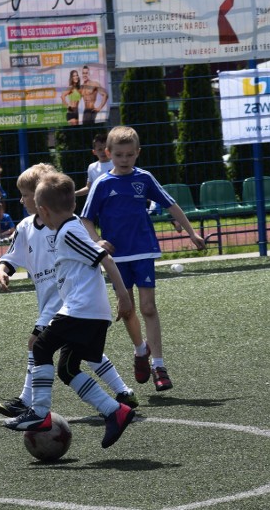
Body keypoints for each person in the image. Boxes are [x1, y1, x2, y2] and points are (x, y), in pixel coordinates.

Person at [0, 164, 138, 419]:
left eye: (26, 194)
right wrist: (3, 269)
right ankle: (121, 393)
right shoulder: (27, 226)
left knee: (38, 344)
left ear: (42, 200)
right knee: (82, 354)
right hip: (56, 299)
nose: (23, 199)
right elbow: (12, 255)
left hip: (67, 302)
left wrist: (121, 291)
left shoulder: (65, 226)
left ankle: (29, 405)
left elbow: (97, 255)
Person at [81, 126, 205, 391]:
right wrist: (97, 241)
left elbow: (171, 204)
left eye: (129, 155)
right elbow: (86, 219)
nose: (124, 160)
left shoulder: (144, 178)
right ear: (108, 154)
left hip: (144, 250)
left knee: (148, 307)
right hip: (116, 258)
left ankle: (159, 365)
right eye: (118, 155)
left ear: (138, 153)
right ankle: (140, 351)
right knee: (126, 310)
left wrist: (192, 232)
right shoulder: (102, 184)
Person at [75, 133, 113, 197]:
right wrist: (74, 193)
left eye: (105, 149)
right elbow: (88, 188)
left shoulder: (117, 164)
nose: (103, 152)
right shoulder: (91, 167)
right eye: (100, 149)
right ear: (94, 152)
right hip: (99, 202)